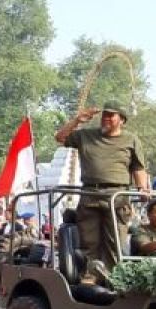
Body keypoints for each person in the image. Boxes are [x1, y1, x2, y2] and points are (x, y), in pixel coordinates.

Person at [55, 100, 149, 278]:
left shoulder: (131, 140)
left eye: (111, 115)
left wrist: (142, 188)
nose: (106, 118)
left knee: (114, 243)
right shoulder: (86, 135)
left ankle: (112, 280)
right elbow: (60, 138)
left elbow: (138, 167)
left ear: (121, 119)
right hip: (90, 194)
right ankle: (90, 278)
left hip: (117, 196)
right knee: (89, 242)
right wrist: (77, 120)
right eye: (104, 115)